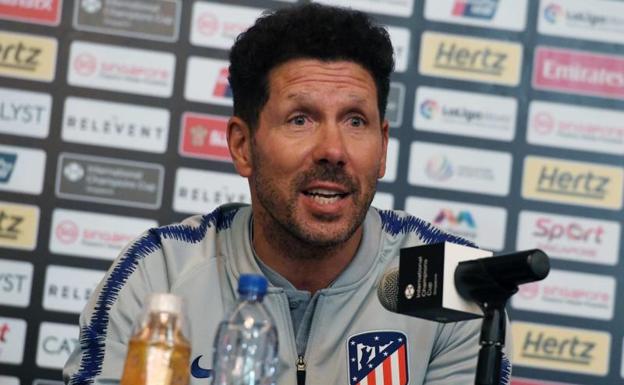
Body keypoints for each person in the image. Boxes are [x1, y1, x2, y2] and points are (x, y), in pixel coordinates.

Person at [64, 3, 510, 385]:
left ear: (383, 146)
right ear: (243, 146)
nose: (333, 150)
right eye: (301, 119)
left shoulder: (454, 282)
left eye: (356, 121)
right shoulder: (158, 274)